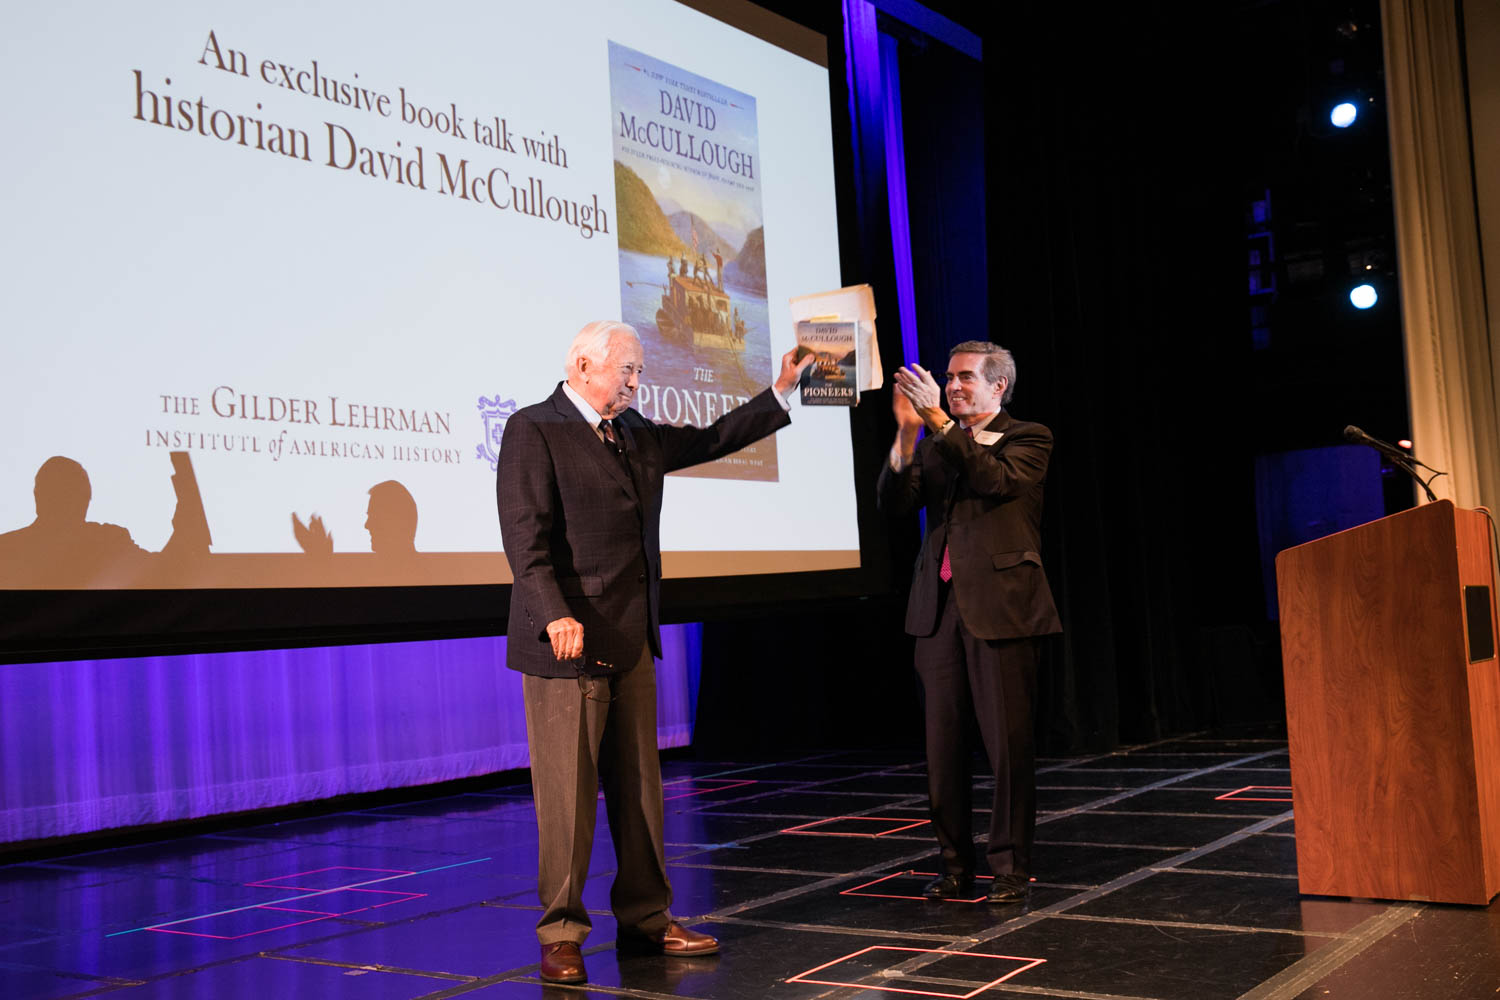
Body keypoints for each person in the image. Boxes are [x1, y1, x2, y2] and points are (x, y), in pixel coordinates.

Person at [496, 320, 814, 984]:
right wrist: (554, 614)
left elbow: (710, 439)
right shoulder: (535, 428)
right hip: (567, 643)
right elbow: (525, 540)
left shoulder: (635, 432)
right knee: (568, 797)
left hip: (631, 636)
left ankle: (646, 918)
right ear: (583, 366)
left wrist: (780, 389)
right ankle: (561, 931)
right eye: (627, 371)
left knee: (641, 791)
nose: (637, 383)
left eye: (639, 371)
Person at [877, 341, 1061, 904]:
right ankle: (954, 865)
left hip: (1003, 609)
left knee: (1007, 748)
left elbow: (992, 480)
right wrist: (909, 432)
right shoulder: (936, 444)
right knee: (943, 748)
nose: (952, 387)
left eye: (963, 379)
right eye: (948, 379)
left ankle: (1009, 868)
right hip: (938, 610)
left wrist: (936, 419)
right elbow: (894, 504)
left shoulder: (1028, 437)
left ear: (998, 386)